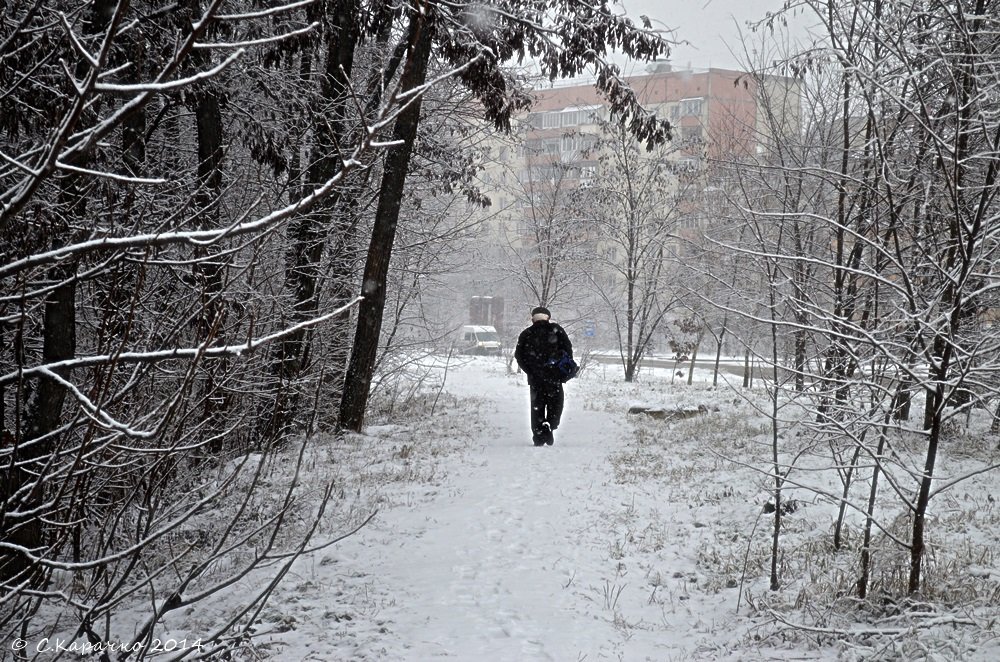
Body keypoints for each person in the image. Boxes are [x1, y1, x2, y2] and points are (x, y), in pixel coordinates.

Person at [514, 306, 574, 446]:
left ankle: (538, 434)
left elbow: (519, 356)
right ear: (548, 317)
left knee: (537, 406)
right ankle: (551, 424)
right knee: (556, 404)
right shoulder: (557, 330)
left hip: (536, 378)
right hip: (555, 377)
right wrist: (561, 370)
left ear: (532, 318)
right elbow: (568, 350)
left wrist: (530, 370)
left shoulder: (527, 333)